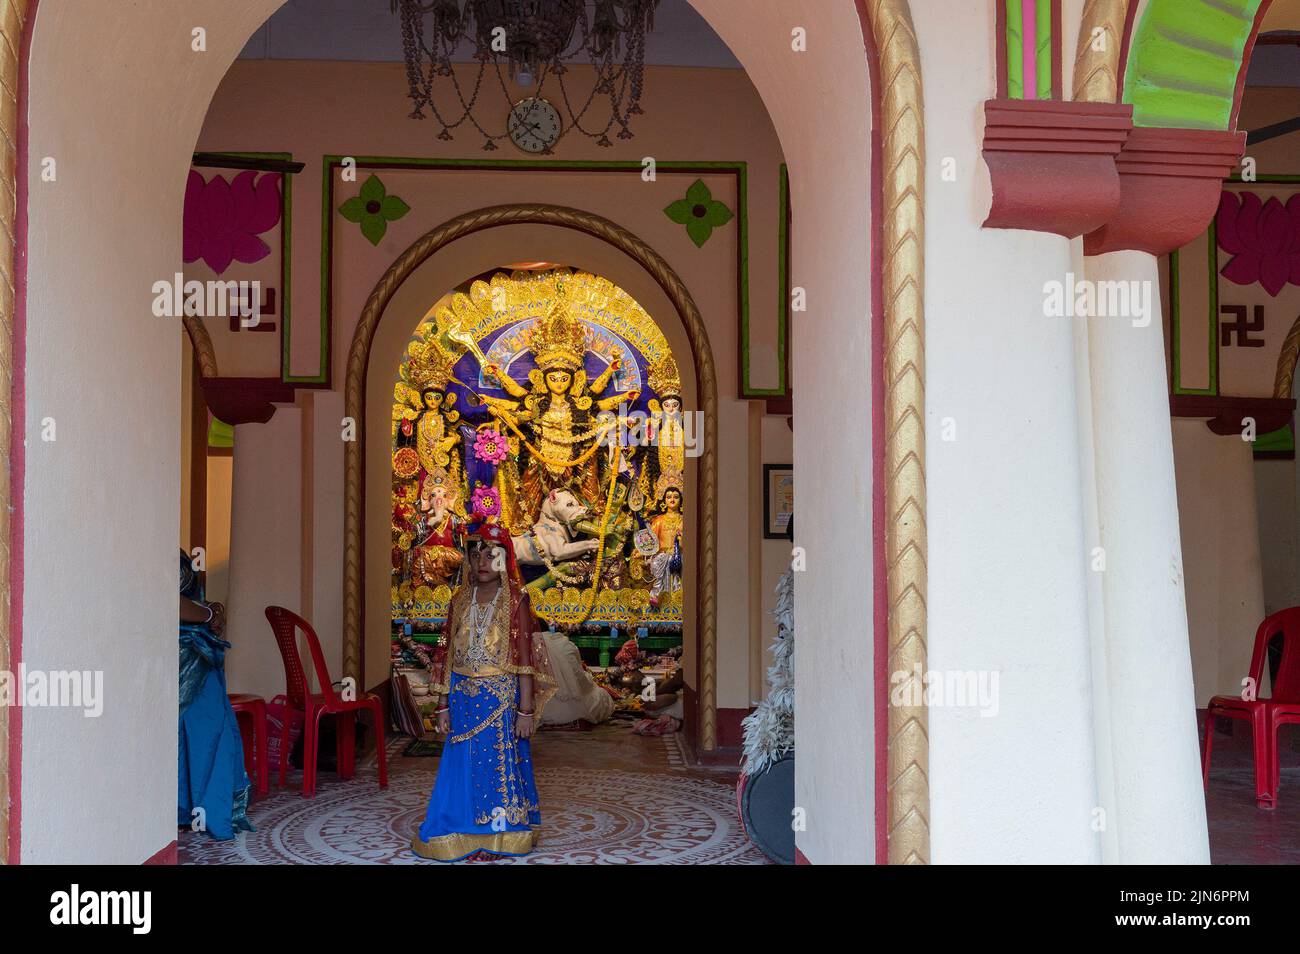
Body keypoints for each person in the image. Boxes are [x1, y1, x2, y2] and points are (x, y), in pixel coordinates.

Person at [412, 524, 556, 862]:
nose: (482, 561)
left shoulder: (516, 601)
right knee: (460, 764)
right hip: (462, 697)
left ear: (505, 560)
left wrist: (525, 710)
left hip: (500, 699)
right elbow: (445, 655)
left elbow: (523, 660)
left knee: (497, 764)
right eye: (476, 554)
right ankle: (457, 827)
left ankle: (499, 834)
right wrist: (443, 704)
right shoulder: (459, 599)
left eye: (492, 555)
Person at [178, 549, 254, 840]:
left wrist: (212, 608)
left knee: (205, 732)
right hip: (186, 659)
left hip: (194, 651)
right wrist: (209, 614)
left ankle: (193, 808)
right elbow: (167, 599)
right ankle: (205, 808)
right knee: (208, 733)